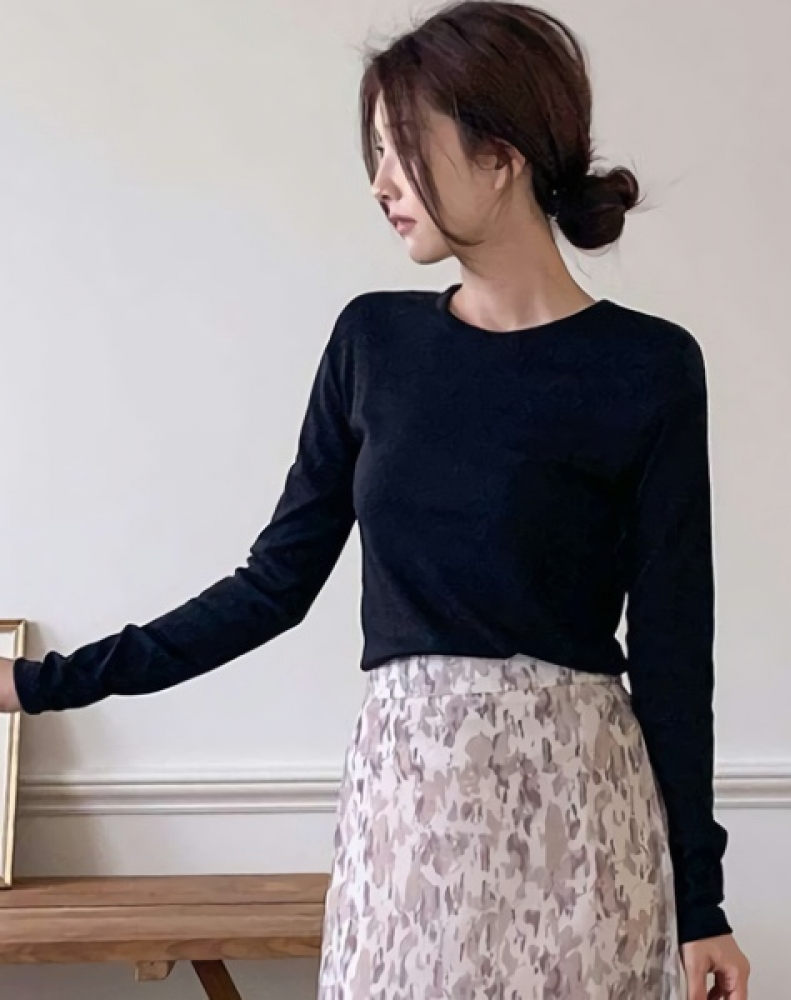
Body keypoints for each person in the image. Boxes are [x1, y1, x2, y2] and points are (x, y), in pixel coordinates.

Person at [0, 2, 751, 997]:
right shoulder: (373, 345)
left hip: (582, 821)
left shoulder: (648, 367)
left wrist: (701, 903)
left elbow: (673, 649)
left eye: (403, 149)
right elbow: (272, 585)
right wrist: (38, 684)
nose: (380, 182)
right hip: (410, 814)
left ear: (500, 156)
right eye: (378, 153)